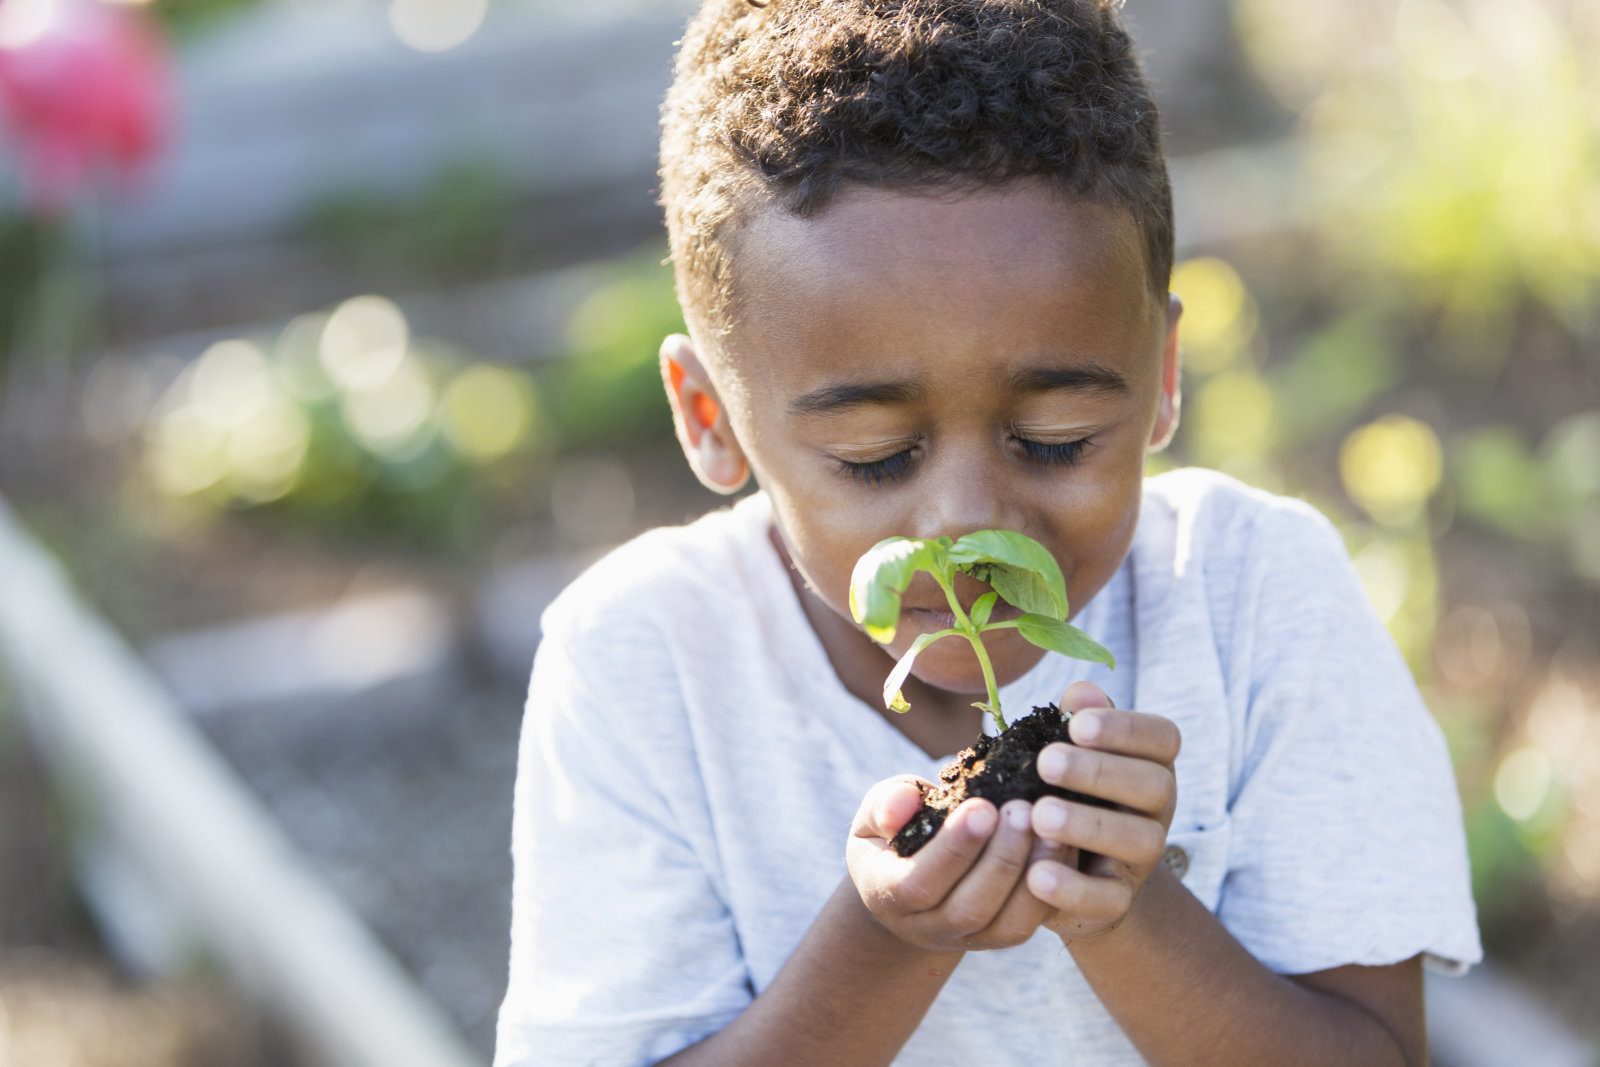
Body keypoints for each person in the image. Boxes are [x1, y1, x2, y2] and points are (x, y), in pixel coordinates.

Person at [494, 0, 1481, 1063]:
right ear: (710, 418)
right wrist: (886, 939)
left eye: (1056, 438)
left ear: (1160, 377)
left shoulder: (1255, 595)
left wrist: (1126, 910)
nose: (965, 523)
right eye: (873, 456)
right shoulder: (641, 658)